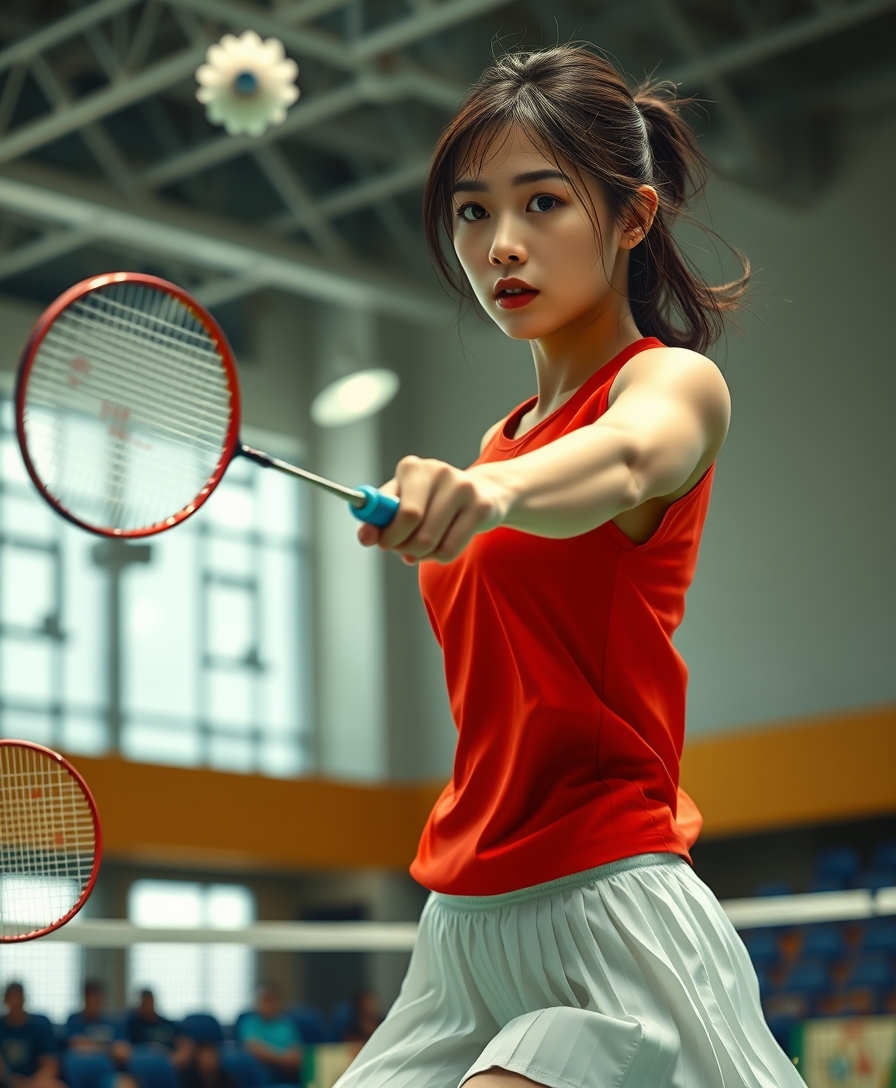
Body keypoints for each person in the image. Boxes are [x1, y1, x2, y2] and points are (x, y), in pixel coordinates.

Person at [339, 43, 807, 1088]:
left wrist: (493, 494)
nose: (501, 243)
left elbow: (635, 453)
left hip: (603, 903)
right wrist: (487, 478)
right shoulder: (497, 440)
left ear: (632, 216)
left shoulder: (669, 385)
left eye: (541, 202)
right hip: (459, 920)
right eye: (471, 212)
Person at [0, 983, 65, 1088]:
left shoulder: (39, 1026)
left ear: (24, 999)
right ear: (5, 1000)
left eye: (18, 998)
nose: (15, 1003)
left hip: (36, 1082)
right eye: (11, 998)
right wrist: (11, 1080)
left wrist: (31, 1084)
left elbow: (50, 1065)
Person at [236, 983, 301, 1083]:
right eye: (265, 1000)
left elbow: (296, 1049)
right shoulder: (249, 1022)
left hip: (289, 1070)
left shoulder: (286, 1023)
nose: (268, 1005)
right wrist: (281, 1059)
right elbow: (253, 1047)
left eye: (272, 1000)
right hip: (262, 1070)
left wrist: (292, 1059)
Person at [122, 991, 190, 1070]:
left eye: (149, 1002)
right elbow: (125, 1048)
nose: (147, 1006)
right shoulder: (133, 1025)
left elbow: (184, 1041)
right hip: (144, 1063)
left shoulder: (166, 1024)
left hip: (169, 1062)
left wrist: (178, 1056)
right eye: (144, 1002)